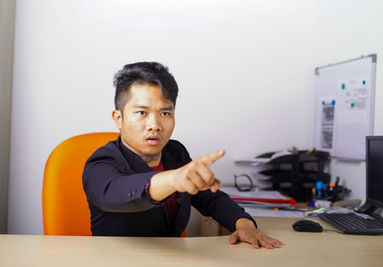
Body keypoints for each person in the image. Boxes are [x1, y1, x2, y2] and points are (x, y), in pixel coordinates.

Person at [82, 62, 283, 249]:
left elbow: (209, 199)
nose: (155, 125)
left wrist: (244, 224)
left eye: (165, 113)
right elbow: (113, 192)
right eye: (142, 113)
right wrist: (173, 179)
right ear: (119, 118)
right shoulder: (102, 162)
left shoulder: (175, 153)